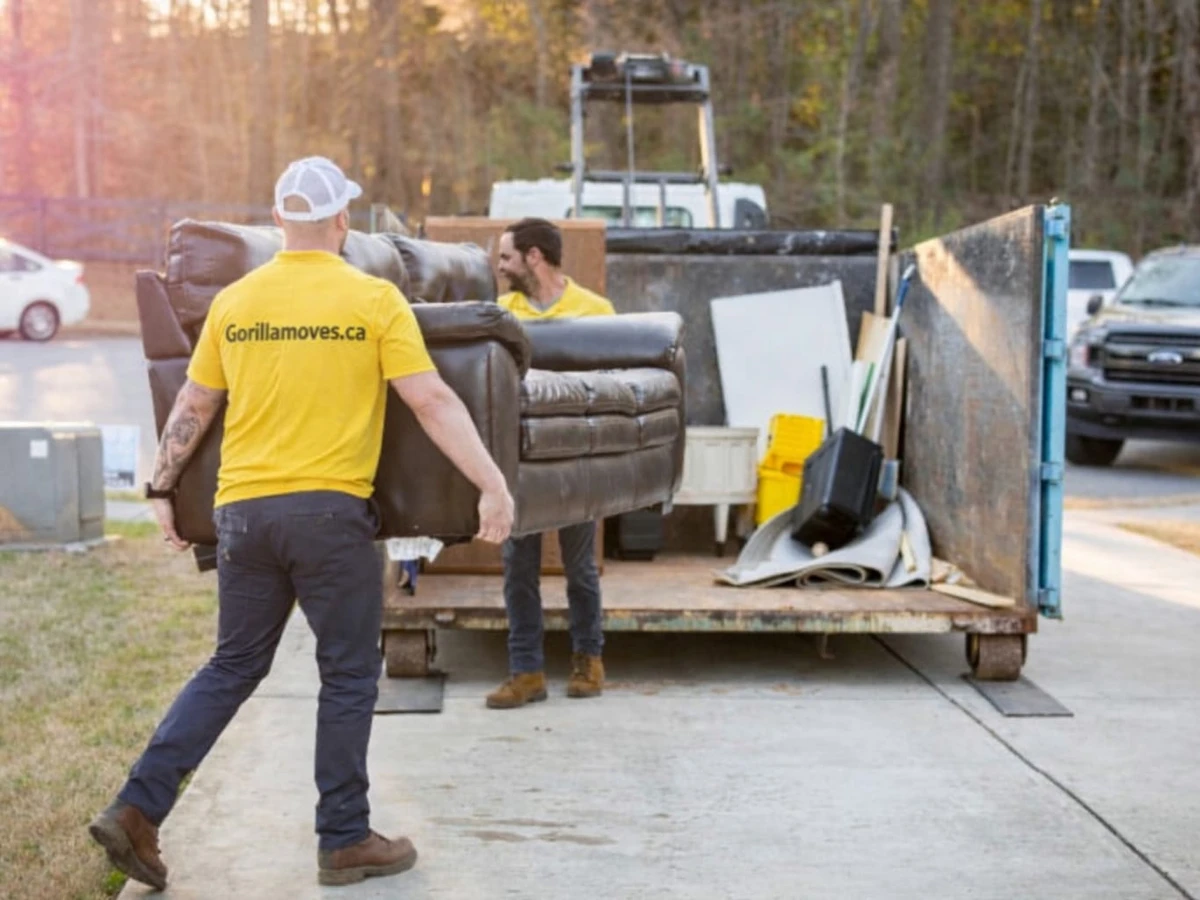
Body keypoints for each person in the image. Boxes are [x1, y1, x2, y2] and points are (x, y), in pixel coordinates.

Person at [87, 156, 514, 889]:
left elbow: (193, 406)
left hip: (243, 516)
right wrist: (491, 483)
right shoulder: (372, 299)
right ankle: (344, 838)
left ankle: (136, 808)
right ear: (343, 220)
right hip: (328, 515)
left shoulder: (236, 302)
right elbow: (432, 400)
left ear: (280, 220)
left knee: (232, 666)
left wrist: (161, 487)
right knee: (348, 672)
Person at [486, 217, 615, 710]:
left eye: (506, 257)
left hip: (576, 462)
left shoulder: (595, 312)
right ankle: (526, 673)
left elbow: (614, 384)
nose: (500, 267)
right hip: (520, 462)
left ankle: (589, 661)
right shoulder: (502, 314)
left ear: (534, 257)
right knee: (518, 569)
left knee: (580, 568)